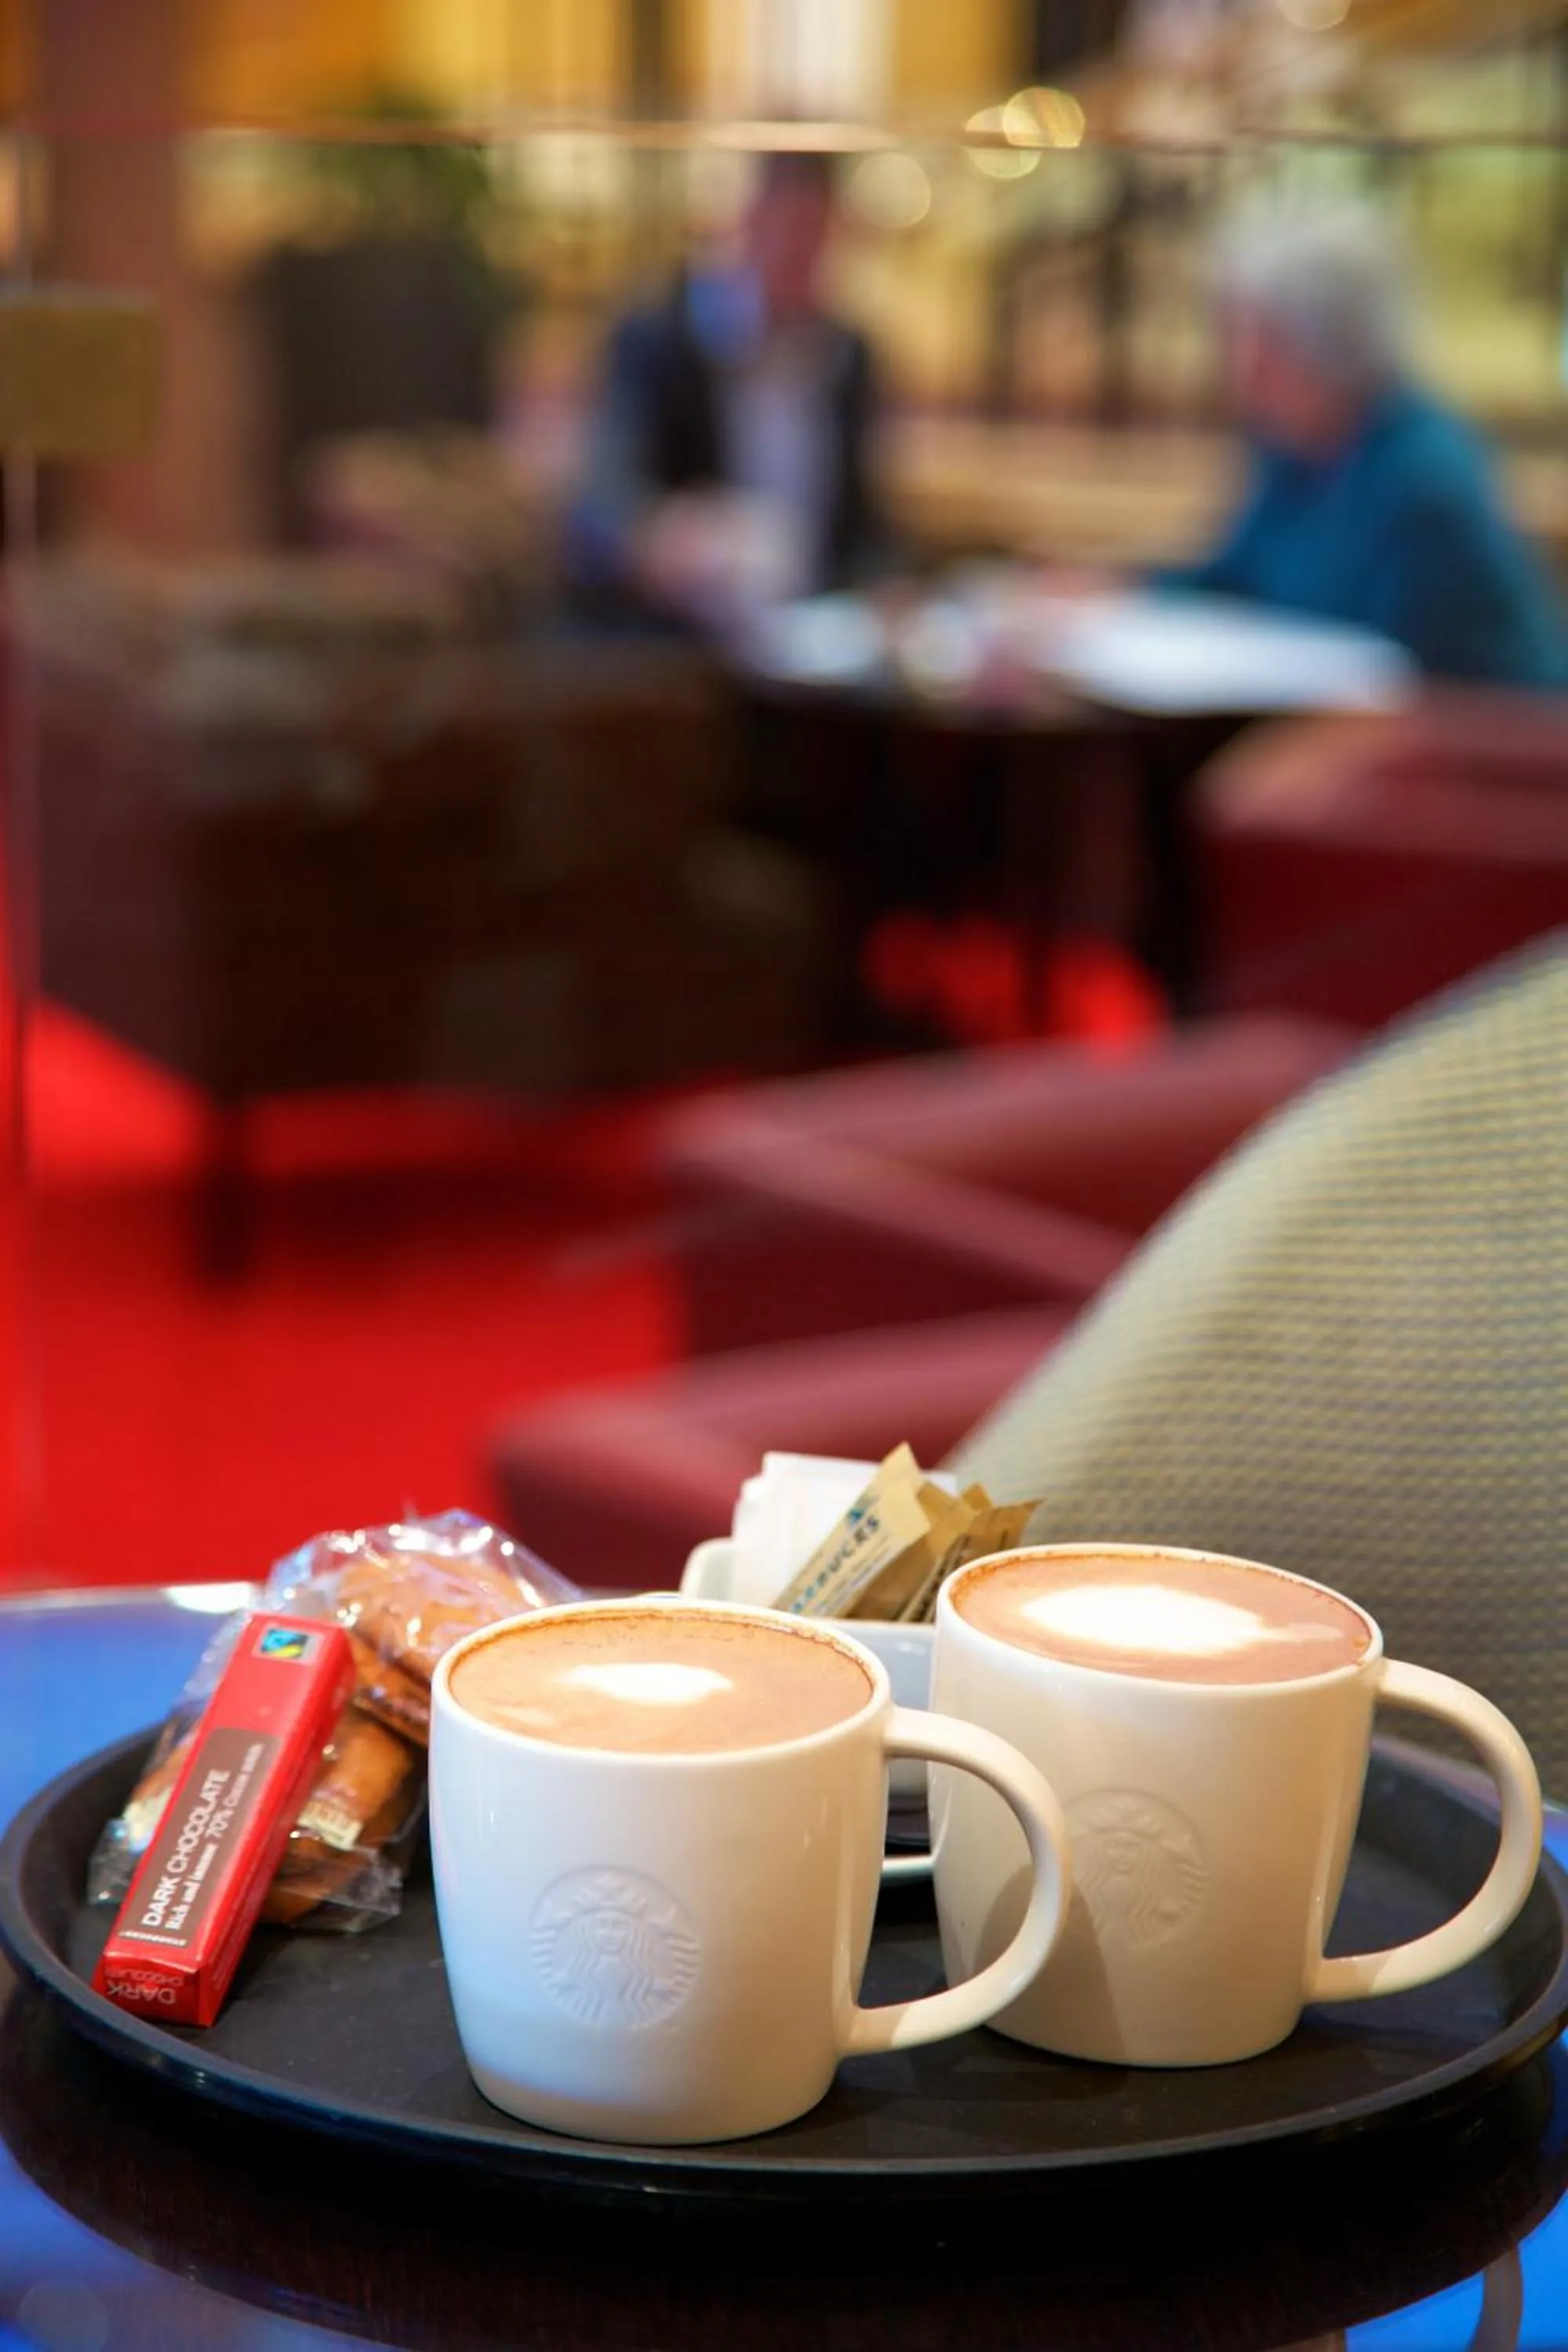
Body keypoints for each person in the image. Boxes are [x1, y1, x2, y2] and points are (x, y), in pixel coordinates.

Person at [1163, 202, 1567, 688]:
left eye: (1265, 345)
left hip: (1475, 746)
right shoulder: (1292, 456)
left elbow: (1425, 684)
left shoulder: (1424, 481)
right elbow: (1232, 582)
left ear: (1335, 345)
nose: (1240, 374)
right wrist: (1118, 597)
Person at [565, 151, 887, 626]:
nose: (801, 254)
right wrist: (660, 536)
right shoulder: (658, 336)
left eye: (816, 235)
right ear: (747, 221)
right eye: (787, 230)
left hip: (815, 640)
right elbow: (600, 501)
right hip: (682, 640)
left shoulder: (849, 353)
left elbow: (861, 522)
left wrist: (885, 589)